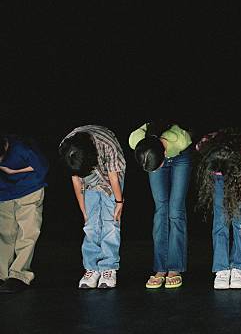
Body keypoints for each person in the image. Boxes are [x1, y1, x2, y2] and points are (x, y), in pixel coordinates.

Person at [59, 125, 126, 289]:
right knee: (91, 225)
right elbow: (76, 180)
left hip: (110, 177)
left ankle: (108, 267)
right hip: (88, 181)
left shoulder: (107, 145)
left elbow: (113, 177)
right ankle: (92, 267)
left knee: (110, 223)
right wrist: (84, 211)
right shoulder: (67, 148)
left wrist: (119, 202)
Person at [129, 121, 192, 289]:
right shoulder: (136, 139)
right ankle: (160, 268)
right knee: (160, 210)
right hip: (153, 153)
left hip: (180, 158)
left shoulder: (180, 140)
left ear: (164, 152)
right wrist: (152, 164)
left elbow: (185, 140)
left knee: (175, 210)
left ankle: (175, 267)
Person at [195, 128, 241, 289]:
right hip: (218, 181)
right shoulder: (206, 143)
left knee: (240, 222)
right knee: (220, 223)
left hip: (239, 178)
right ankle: (221, 268)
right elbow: (199, 151)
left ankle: (239, 267)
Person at [0, 134, 48, 293]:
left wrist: (12, 171)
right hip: (5, 193)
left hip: (30, 189)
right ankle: (2, 274)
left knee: (28, 231)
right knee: (5, 233)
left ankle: (19, 274)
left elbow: (42, 166)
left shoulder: (22, 148)